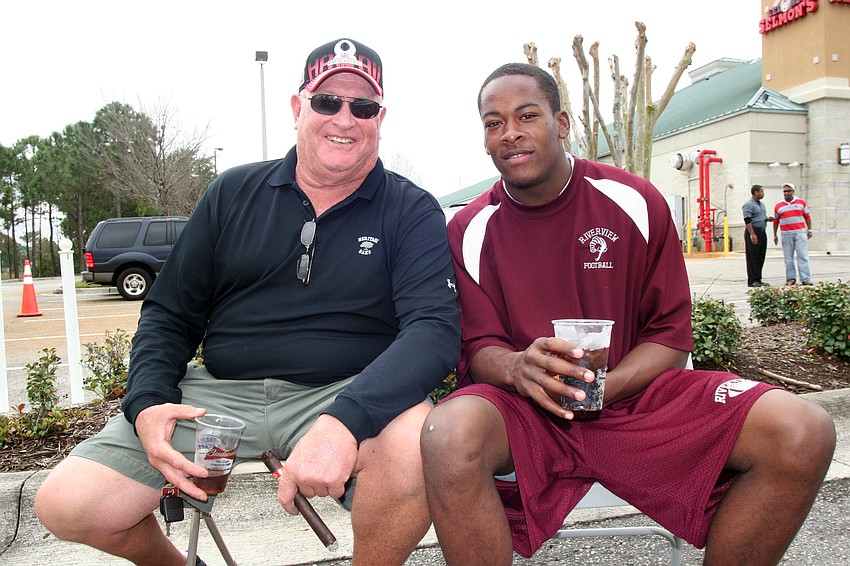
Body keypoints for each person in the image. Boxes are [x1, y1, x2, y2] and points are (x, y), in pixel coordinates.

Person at [35, 38, 460, 566]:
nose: (344, 119)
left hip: (344, 390)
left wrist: (346, 420)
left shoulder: (411, 209)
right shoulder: (231, 192)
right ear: (298, 107)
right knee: (67, 504)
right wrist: (147, 403)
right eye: (327, 101)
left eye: (363, 107)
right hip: (219, 395)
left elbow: (433, 329)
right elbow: (169, 313)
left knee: (420, 443)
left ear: (380, 118)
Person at [420, 63, 835, 565]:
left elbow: (670, 337)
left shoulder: (634, 200)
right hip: (525, 410)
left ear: (562, 123)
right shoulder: (468, 228)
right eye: (494, 123)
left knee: (803, 429)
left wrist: (601, 388)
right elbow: (477, 346)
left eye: (527, 116)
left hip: (636, 400)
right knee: (447, 432)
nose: (510, 133)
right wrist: (517, 367)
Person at [773, 182, 813, 285]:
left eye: (789, 191)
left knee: (803, 255)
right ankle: (790, 278)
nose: (786, 193)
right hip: (786, 233)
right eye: (785, 191)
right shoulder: (778, 206)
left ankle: (805, 278)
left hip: (800, 232)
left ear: (793, 191)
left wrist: (809, 230)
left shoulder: (801, 202)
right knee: (788, 258)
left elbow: (807, 216)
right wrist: (775, 234)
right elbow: (776, 221)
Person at [742, 184, 773, 287]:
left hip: (762, 231)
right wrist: (752, 234)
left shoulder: (761, 204)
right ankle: (752, 280)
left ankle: (758, 279)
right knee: (753, 257)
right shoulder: (748, 205)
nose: (763, 193)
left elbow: (759, 217)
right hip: (753, 231)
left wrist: (767, 219)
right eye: (761, 191)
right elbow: (747, 220)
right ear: (755, 192)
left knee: (760, 256)